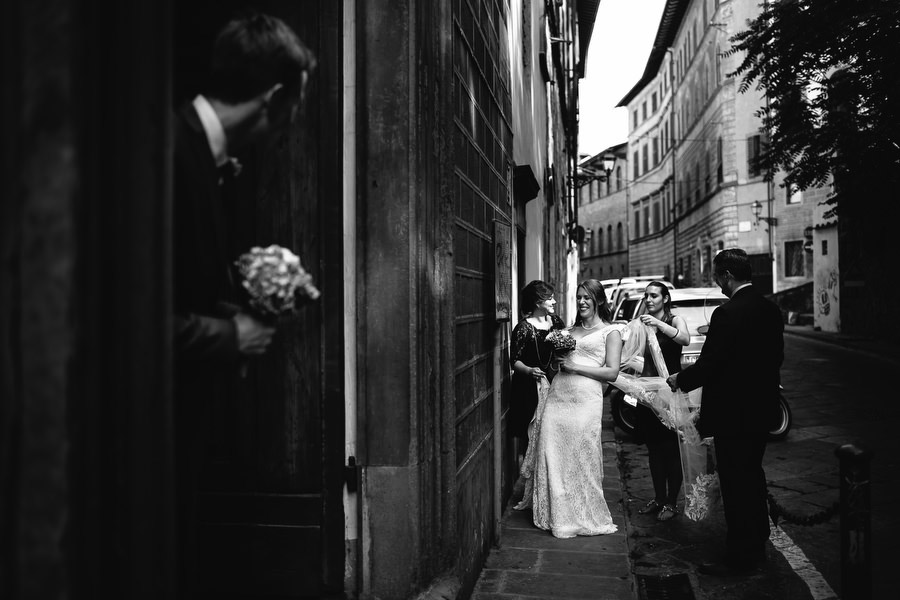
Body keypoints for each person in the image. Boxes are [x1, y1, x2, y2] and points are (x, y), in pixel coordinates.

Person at [172, 12, 316, 596]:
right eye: (296, 105)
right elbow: (118, 318)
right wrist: (230, 336)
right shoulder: (167, 156)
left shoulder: (200, 156)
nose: (292, 122)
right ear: (275, 97)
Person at [667, 248, 784, 576]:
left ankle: (739, 556)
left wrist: (681, 380)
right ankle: (758, 540)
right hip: (761, 411)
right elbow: (776, 360)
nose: (717, 282)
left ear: (728, 276)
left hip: (734, 415)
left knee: (735, 483)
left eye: (718, 276)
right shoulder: (770, 310)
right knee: (753, 475)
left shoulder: (727, 313)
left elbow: (710, 364)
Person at [525, 279, 626, 538]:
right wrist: (557, 361)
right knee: (553, 452)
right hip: (558, 396)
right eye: (579, 297)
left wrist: (575, 367)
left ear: (599, 301)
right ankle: (558, 514)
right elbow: (559, 363)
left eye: (587, 297)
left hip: (586, 401)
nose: (582, 301)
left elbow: (612, 372)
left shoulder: (610, 332)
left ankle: (583, 513)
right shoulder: (567, 330)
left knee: (581, 455)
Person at [633, 281, 689, 522]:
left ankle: (672, 502)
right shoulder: (641, 323)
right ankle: (658, 497)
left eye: (654, 295)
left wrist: (658, 324)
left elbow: (685, 340)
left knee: (671, 449)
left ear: (665, 298)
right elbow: (635, 357)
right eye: (646, 296)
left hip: (671, 393)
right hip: (648, 396)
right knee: (653, 449)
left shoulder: (675, 320)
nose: (649, 299)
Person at [509, 280, 565, 458]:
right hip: (528, 389)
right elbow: (514, 361)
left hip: (554, 384)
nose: (554, 302)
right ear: (537, 302)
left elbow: (563, 349)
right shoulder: (523, 328)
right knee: (531, 436)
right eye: (550, 298)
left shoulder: (556, 322)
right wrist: (529, 370)